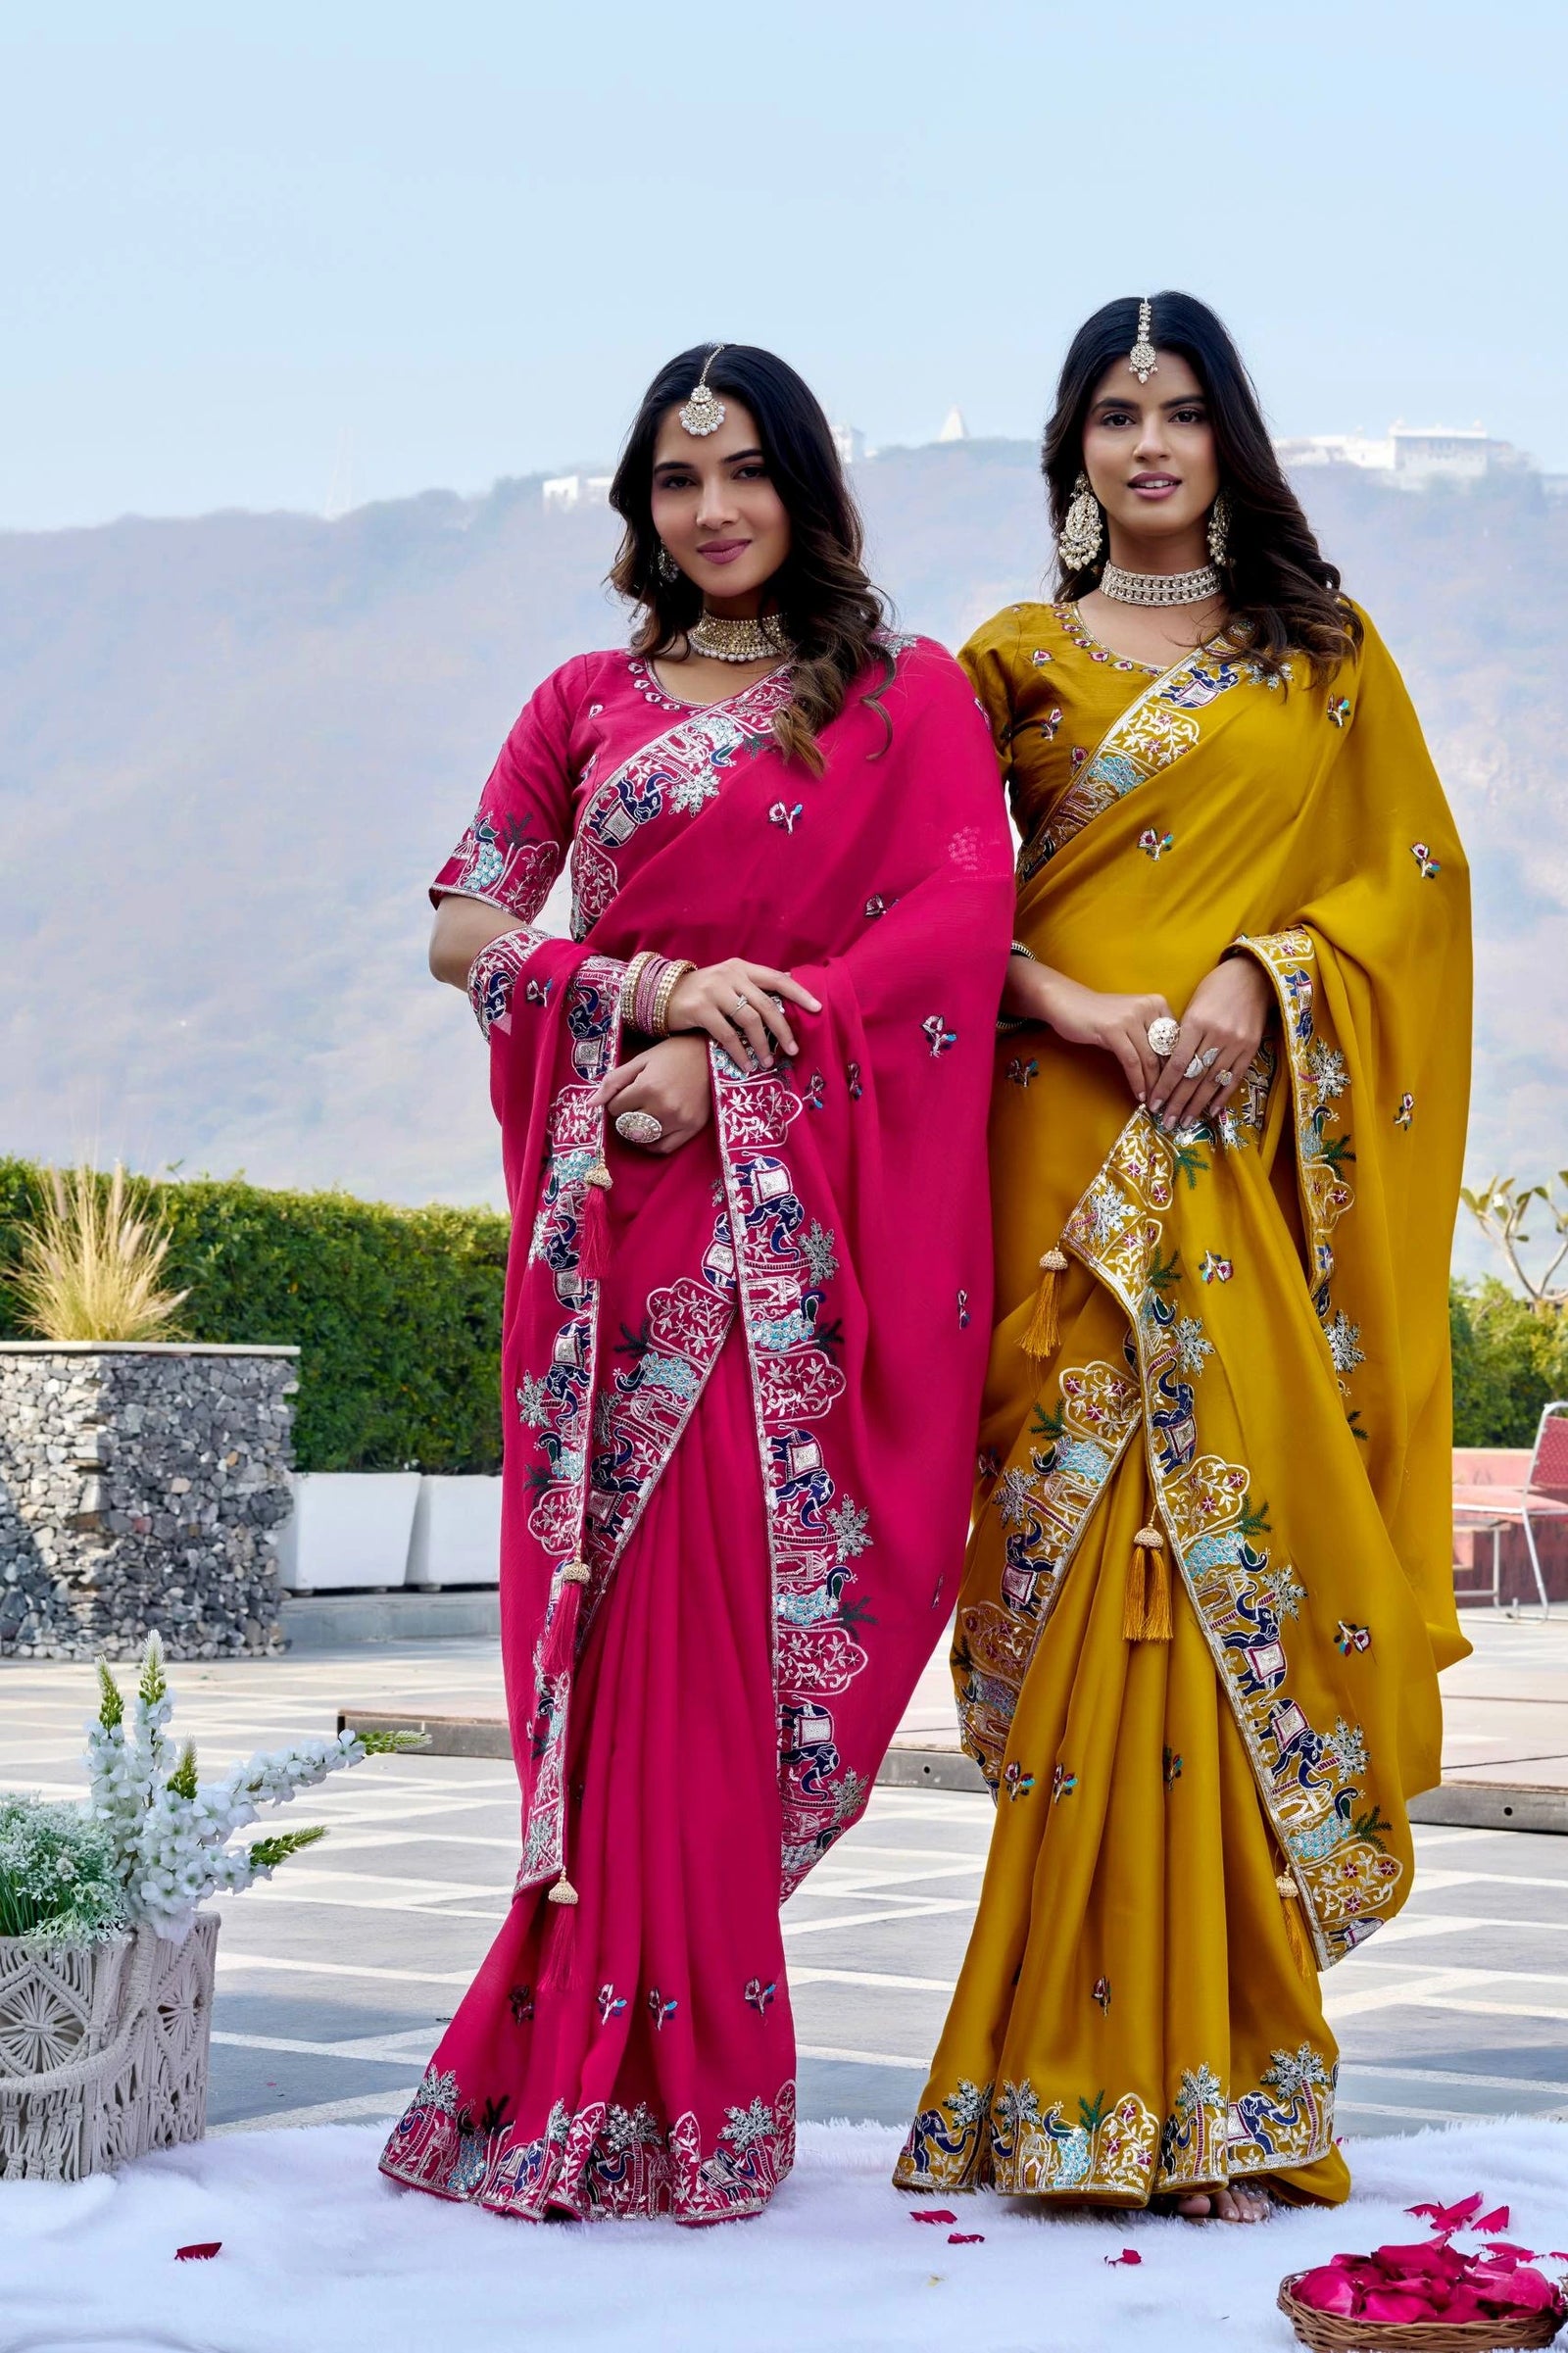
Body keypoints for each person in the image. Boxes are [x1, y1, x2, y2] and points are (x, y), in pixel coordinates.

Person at [380, 343, 1014, 2223]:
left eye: (746, 472)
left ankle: (705, 2084)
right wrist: (639, 996)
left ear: (808, 488)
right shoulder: (581, 698)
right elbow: (462, 924)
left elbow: (956, 927)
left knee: (713, 1646)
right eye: (678, 478)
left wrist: (751, 1050)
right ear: (640, 505)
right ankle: (571, 2062)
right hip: (607, 1235)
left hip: (782, 1245)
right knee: (605, 1636)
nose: (714, 509)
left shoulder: (905, 700)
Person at [897, 293, 1470, 2220]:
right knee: (1082, 1603)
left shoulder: (1318, 663)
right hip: (1056, 1161)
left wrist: (1257, 970)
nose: (1145, 445)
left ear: (1228, 438)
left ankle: (1223, 2100)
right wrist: (1069, 1000)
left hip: (1239, 1176)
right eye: (1111, 414)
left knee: (1219, 1583)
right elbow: (904, 912)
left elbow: (1405, 896)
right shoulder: (1002, 664)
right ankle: (1053, 2091)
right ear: (1069, 447)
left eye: (1178, 412)